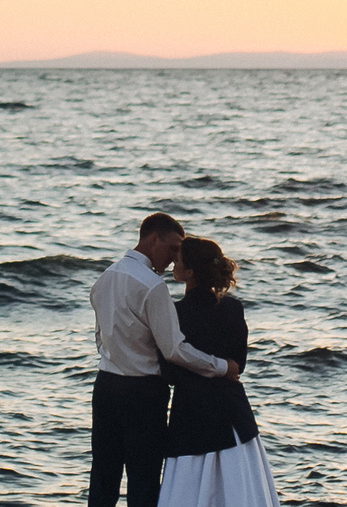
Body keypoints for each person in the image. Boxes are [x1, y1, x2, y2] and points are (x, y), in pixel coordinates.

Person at [90, 212, 238, 507]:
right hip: (143, 392)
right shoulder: (153, 286)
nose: (173, 259)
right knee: (143, 479)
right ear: (153, 239)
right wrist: (221, 366)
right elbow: (173, 349)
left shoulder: (105, 277)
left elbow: (99, 338)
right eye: (172, 248)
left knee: (103, 476)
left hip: (105, 386)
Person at [159, 236, 280, 507]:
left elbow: (168, 372)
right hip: (232, 412)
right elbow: (239, 365)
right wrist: (221, 368)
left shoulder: (174, 313)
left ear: (190, 272)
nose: (173, 263)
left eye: (178, 260)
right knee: (240, 490)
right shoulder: (232, 308)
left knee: (189, 491)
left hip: (191, 414)